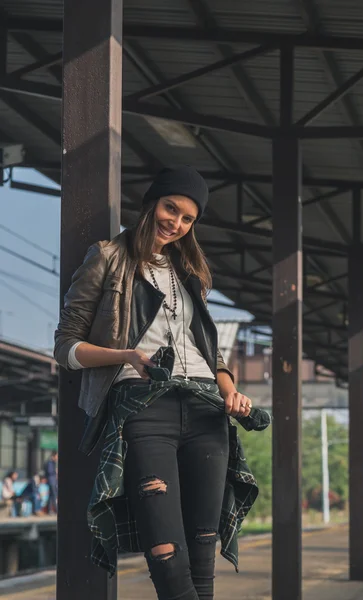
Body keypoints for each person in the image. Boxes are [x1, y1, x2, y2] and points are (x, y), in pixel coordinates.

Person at [54, 166, 270, 600]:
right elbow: (65, 346)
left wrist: (231, 392)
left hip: (207, 411)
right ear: (152, 202)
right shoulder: (108, 257)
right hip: (143, 407)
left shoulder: (190, 271)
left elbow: (212, 351)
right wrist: (128, 355)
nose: (176, 222)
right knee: (167, 553)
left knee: (202, 554)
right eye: (172, 208)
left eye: (188, 218)